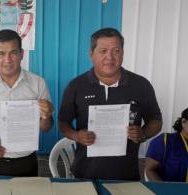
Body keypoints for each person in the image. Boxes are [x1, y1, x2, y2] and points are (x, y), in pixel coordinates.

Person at [58, 27, 162, 180]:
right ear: (91, 54)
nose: (110, 57)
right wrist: (76, 135)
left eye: (116, 51)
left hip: (126, 175)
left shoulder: (141, 85)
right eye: (103, 51)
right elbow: (63, 122)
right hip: (85, 173)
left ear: (123, 53)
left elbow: (156, 120)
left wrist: (143, 133)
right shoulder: (76, 86)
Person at [0, 29, 54, 176]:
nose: (7, 60)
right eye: (1, 53)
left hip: (27, 161)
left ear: (21, 54)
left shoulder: (38, 83)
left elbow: (46, 127)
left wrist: (46, 116)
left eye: (13, 53)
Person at [145, 108, 188, 182]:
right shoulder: (165, 141)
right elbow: (150, 170)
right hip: (171, 190)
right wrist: (163, 190)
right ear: (183, 122)